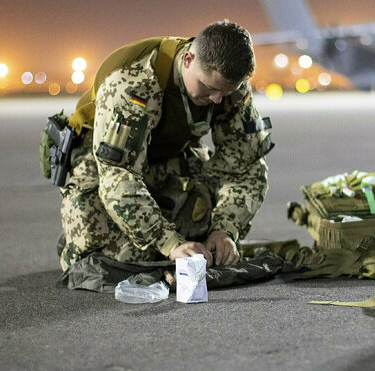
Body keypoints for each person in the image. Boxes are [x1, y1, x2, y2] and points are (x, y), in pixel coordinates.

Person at [57, 20, 273, 273]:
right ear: (189, 59)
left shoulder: (229, 86)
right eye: (209, 87)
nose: (216, 99)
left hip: (169, 155)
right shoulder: (133, 83)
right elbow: (118, 175)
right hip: (105, 162)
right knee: (114, 257)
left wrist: (225, 230)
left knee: (203, 240)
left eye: (224, 93)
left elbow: (246, 168)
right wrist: (169, 243)